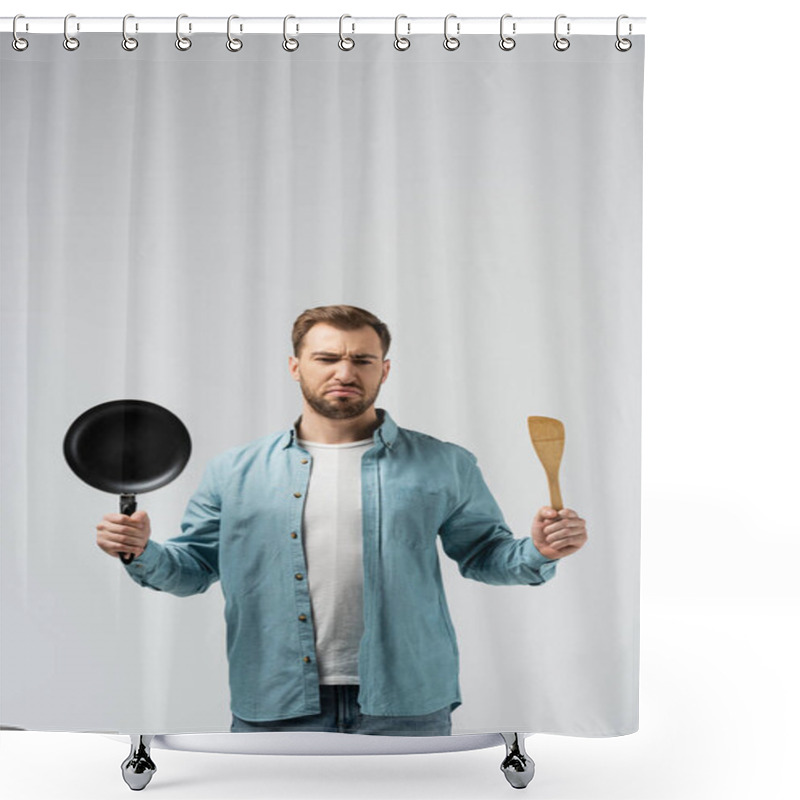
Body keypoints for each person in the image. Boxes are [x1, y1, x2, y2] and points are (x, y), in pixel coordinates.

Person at [96, 305, 588, 736]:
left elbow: (486, 554)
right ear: (295, 366)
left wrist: (539, 550)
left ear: (384, 370)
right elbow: (193, 569)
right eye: (327, 358)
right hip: (275, 697)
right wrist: (142, 549)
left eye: (361, 359)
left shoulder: (445, 463)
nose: (344, 371)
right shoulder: (234, 470)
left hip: (406, 701)